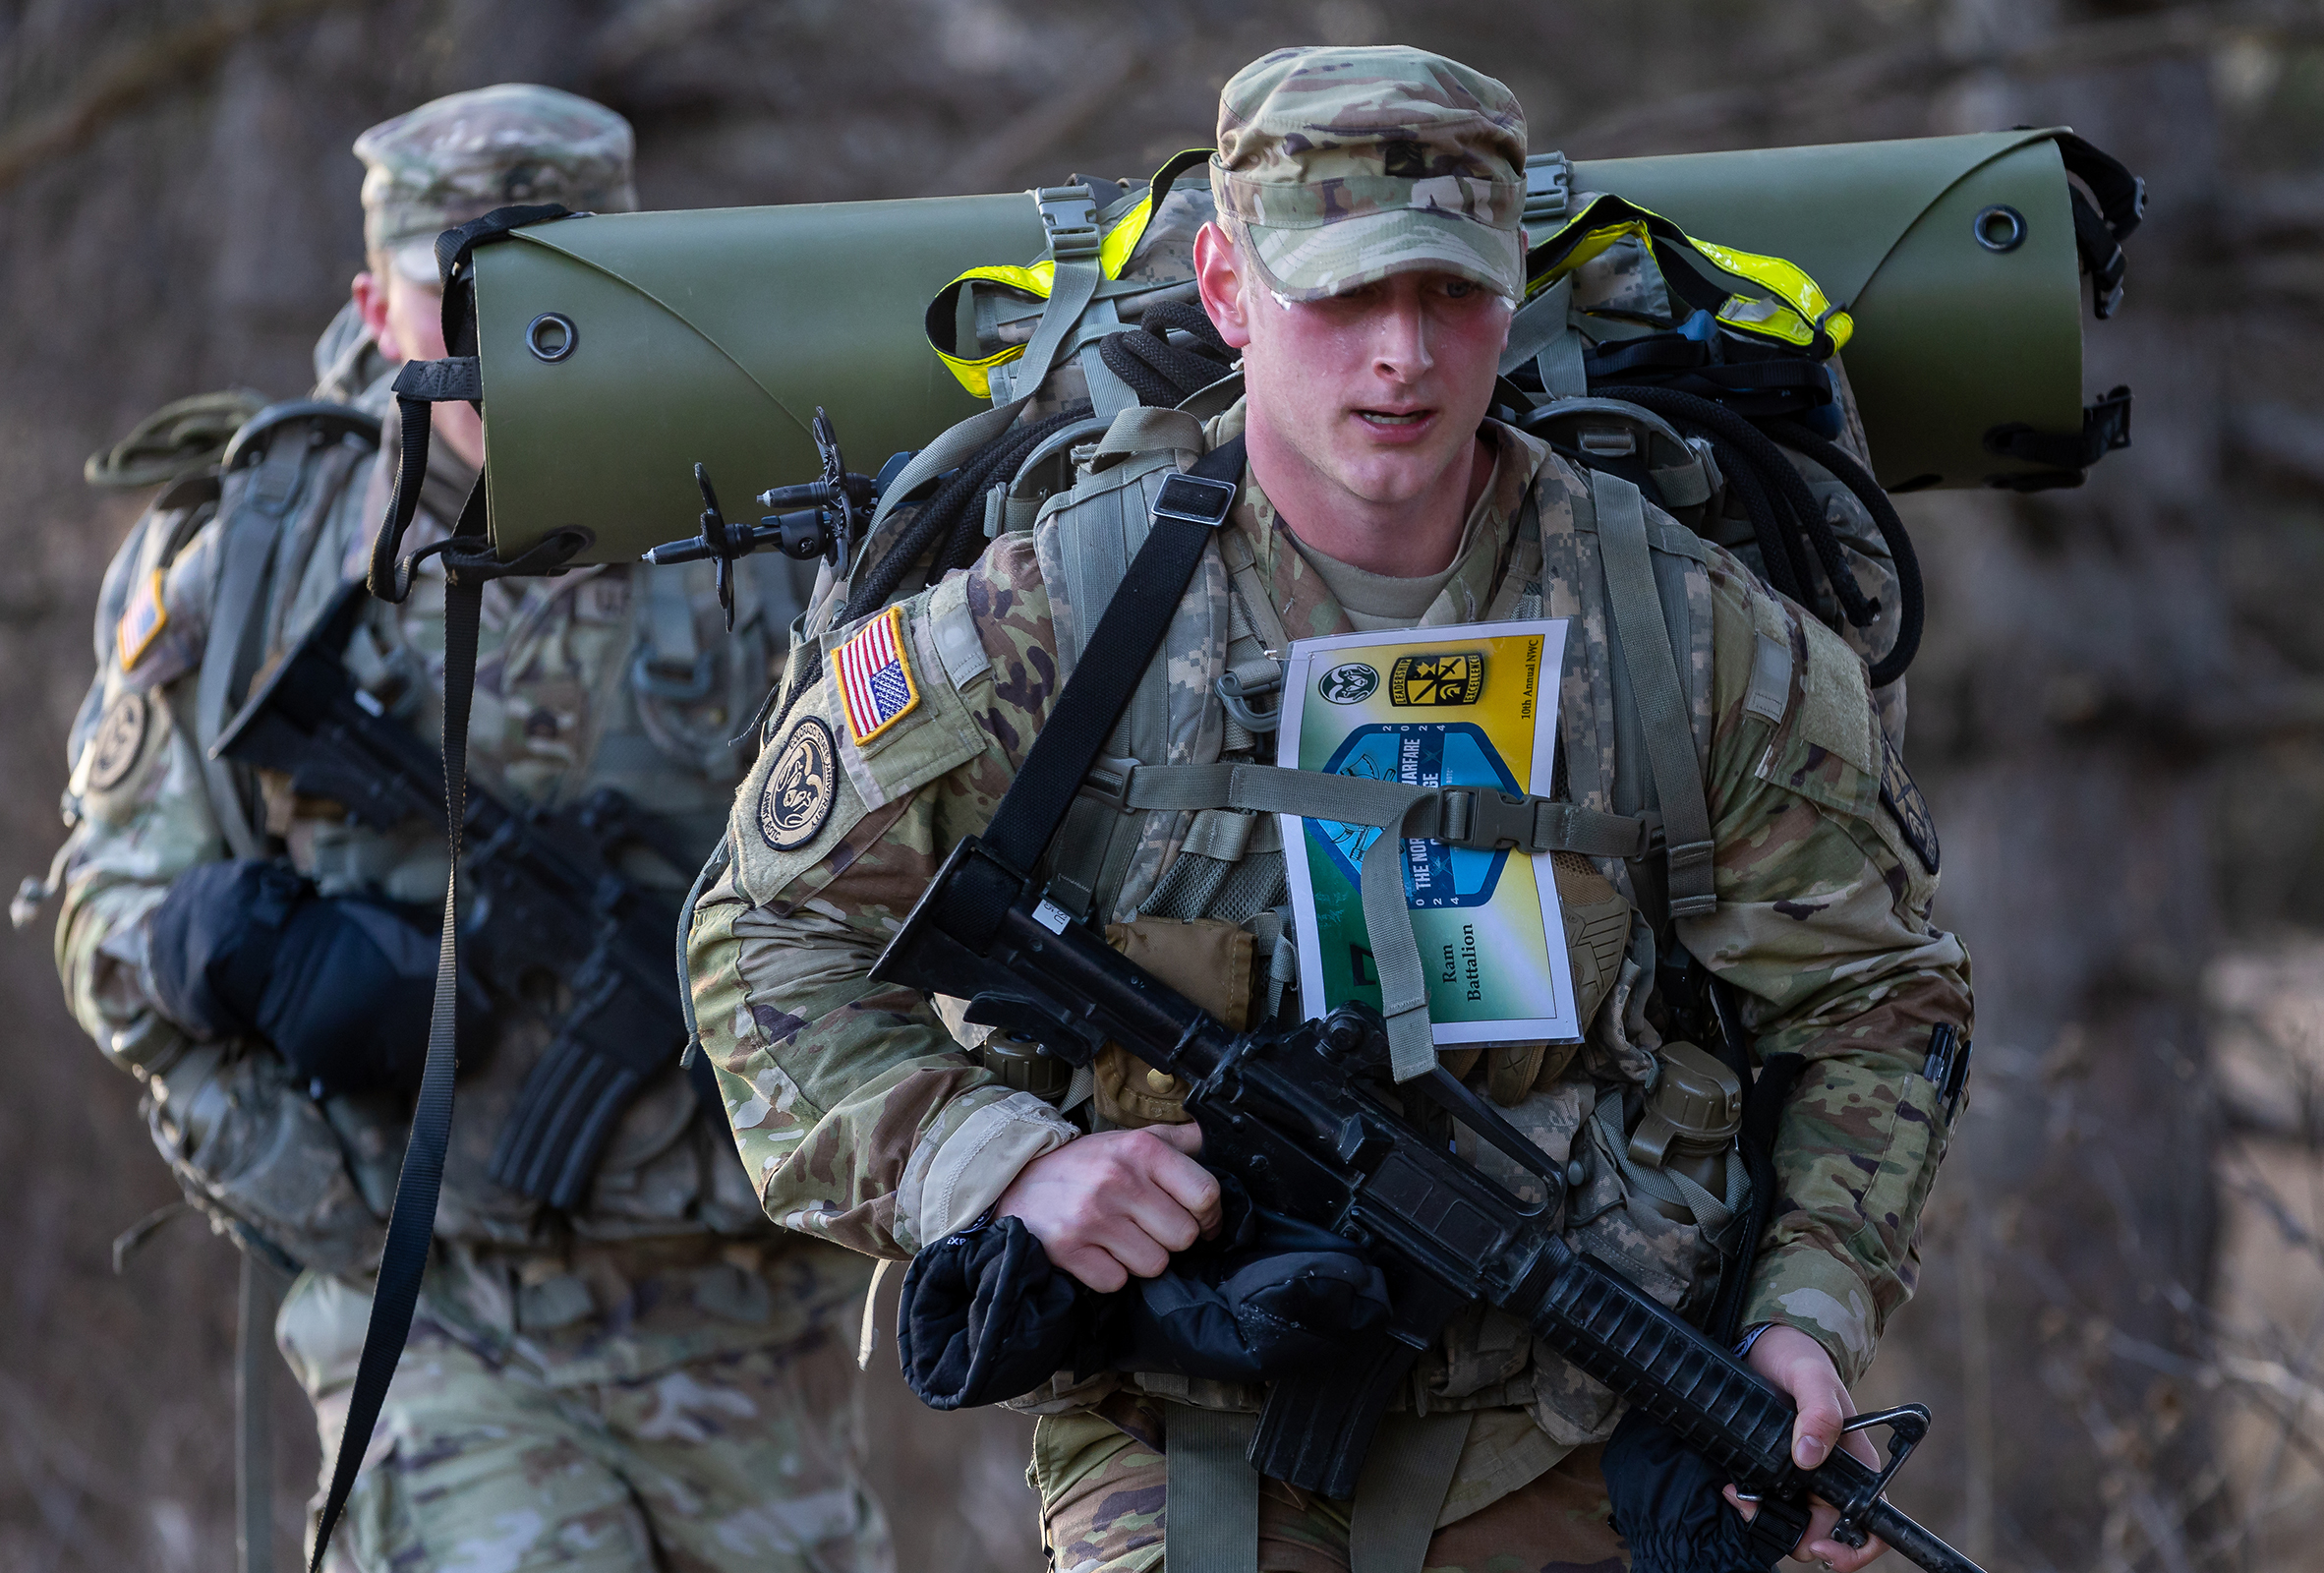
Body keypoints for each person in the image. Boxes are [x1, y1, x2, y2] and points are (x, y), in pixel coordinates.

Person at [686, 44, 1968, 1573]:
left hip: (1584, 1411)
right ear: (1228, 288)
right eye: (1343, 296)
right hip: (1187, 1425)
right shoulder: (1056, 626)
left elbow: (1876, 1003)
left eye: (1449, 295)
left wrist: (1804, 1320)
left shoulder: (1690, 641)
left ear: (1513, 287)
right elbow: (760, 942)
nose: (1403, 359)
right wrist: (1006, 1165)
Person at [53, 84, 886, 1573]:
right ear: (377, 308)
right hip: (436, 1322)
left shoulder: (802, 526)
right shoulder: (256, 552)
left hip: (760, 1329)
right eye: (467, 293)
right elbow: (109, 918)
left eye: (562, 289)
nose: (515, 339)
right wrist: (234, 960)